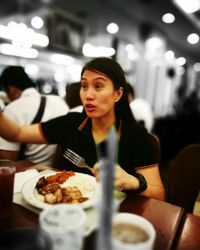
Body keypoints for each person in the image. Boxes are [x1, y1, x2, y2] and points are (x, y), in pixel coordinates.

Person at [0, 57, 165, 201]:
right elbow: (17, 133)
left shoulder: (136, 136)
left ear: (118, 94)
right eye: (84, 86)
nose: (88, 95)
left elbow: (158, 194)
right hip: (67, 208)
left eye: (98, 86)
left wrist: (134, 182)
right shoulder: (70, 123)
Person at [0, 66, 69, 166]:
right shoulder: (59, 102)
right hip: (59, 171)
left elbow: (7, 161)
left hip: (30, 175)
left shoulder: (12, 109)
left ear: (12, 89)